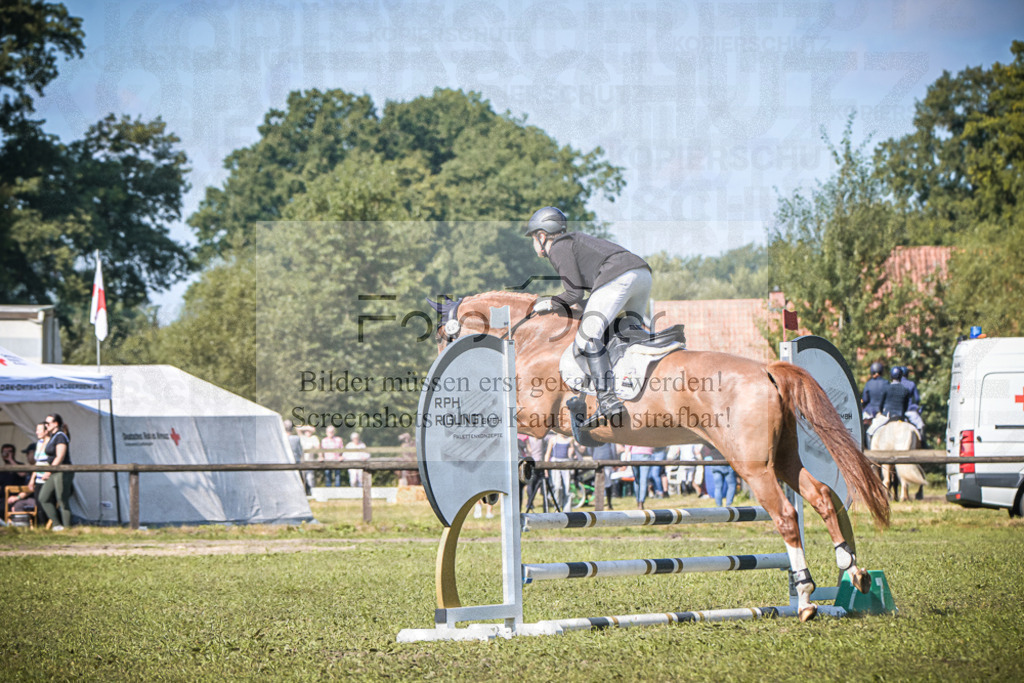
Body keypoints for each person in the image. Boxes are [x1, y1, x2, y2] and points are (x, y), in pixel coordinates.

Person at [525, 206, 652, 428]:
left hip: (618, 276)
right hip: (641, 274)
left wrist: (550, 303)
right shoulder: (575, 242)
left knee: (586, 339)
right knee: (626, 334)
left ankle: (607, 400)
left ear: (542, 236)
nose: (534, 244)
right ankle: (635, 385)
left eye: (533, 238)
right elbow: (585, 298)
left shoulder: (558, 247)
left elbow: (574, 293)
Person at [37, 413, 72, 530]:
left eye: (48, 423)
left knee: (62, 499)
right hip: (54, 471)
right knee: (43, 498)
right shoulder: (53, 436)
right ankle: (57, 525)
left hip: (62, 470)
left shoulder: (60, 436)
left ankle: (67, 528)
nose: (46, 425)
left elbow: (60, 457)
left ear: (55, 424)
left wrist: (49, 471)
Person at [868, 367, 913, 439]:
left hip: (887, 416)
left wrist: (881, 411)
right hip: (901, 416)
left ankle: (870, 449)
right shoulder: (905, 390)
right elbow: (906, 406)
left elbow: (881, 405)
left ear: (891, 376)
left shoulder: (886, 388)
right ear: (901, 376)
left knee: (869, 432)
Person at [543, 432, 576, 512]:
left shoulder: (569, 439)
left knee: (567, 487)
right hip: (555, 462)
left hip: (566, 462)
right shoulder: (553, 439)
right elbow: (548, 453)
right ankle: (557, 507)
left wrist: (571, 452)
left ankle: (567, 510)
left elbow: (571, 450)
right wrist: (545, 468)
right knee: (557, 486)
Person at [521, 434, 547, 512]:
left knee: (539, 485)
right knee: (531, 485)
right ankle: (530, 503)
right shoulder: (529, 439)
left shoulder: (542, 439)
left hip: (541, 463)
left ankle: (543, 504)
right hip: (532, 464)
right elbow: (528, 451)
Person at [898, 366, 926, 437]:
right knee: (921, 425)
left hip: (897, 412)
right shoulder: (911, 384)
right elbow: (917, 399)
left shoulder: (896, 384)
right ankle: (923, 444)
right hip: (910, 411)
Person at [283, 420, 307, 495]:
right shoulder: (296, 438)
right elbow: (300, 452)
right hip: (296, 462)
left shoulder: (281, 439)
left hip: (284, 462)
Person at [297, 426, 320, 492]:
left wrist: (320, 456)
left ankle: (312, 492)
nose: (308, 432)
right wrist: (307, 428)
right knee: (302, 478)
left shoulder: (314, 438)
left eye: (309, 431)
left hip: (310, 461)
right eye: (307, 431)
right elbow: (298, 429)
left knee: (310, 478)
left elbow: (317, 448)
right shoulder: (302, 437)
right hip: (302, 461)